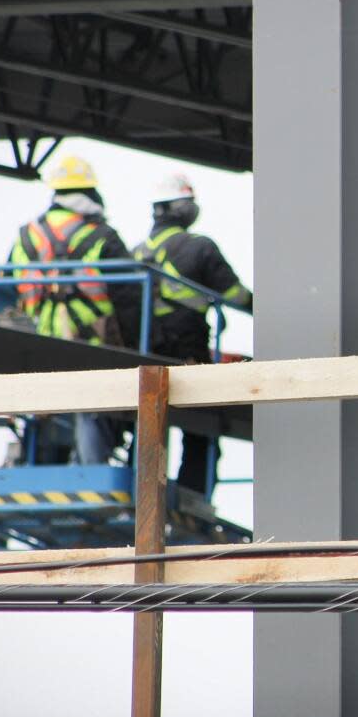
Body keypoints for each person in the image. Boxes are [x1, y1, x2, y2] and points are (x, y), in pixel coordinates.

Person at [8, 155, 138, 465]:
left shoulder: (27, 235)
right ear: (90, 194)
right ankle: (90, 469)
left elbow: (5, 287)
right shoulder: (102, 236)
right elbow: (131, 297)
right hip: (92, 345)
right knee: (93, 408)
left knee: (47, 410)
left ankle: (37, 466)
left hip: (42, 341)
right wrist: (134, 348)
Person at [132, 173, 253, 496]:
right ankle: (194, 494)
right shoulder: (198, 247)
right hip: (188, 348)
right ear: (179, 208)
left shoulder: (136, 253)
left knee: (145, 423)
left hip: (145, 350)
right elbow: (237, 295)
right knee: (200, 424)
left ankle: (141, 490)